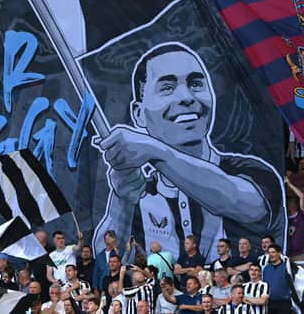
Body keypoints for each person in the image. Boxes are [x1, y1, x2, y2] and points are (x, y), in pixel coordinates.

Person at [93, 43, 285, 262]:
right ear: (138, 114)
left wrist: (153, 150)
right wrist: (123, 200)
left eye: (195, 84)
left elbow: (244, 205)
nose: (186, 97)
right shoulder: (141, 192)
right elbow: (105, 261)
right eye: (167, 87)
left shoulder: (250, 171)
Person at [262, 245, 291, 314]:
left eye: (273, 252)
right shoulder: (266, 269)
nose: (271, 255)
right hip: (269, 303)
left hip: (284, 303)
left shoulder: (287, 267)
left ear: (279, 253)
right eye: (269, 253)